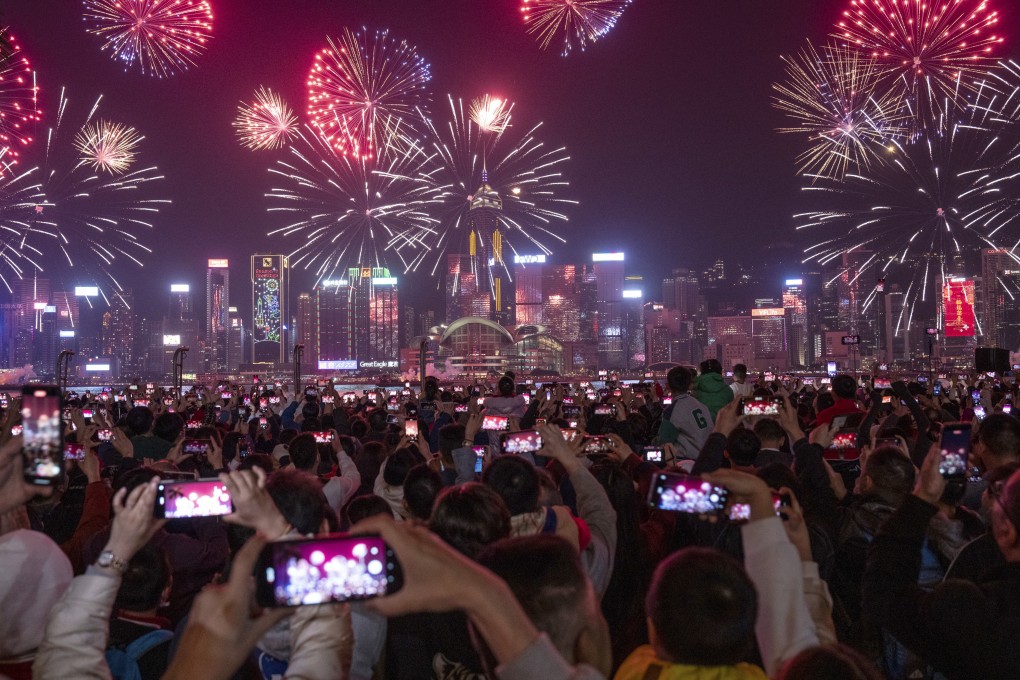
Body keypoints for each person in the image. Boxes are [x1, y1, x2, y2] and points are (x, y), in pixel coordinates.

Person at [863, 449, 1020, 679]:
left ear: (1006, 531)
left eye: (999, 495)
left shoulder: (972, 613)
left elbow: (884, 592)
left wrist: (922, 498)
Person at [658, 366, 713, 461]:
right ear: (689, 385)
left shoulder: (672, 410)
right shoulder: (701, 406)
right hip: (709, 458)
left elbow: (664, 442)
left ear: (668, 385)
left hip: (688, 462)